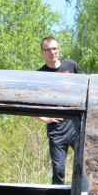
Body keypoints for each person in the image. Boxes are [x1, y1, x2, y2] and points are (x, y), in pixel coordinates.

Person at [36, 37, 83, 183]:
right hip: (56, 130)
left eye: (54, 48)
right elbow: (30, 102)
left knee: (87, 165)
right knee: (59, 171)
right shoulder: (39, 75)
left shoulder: (71, 66)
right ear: (42, 53)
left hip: (76, 126)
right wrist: (43, 118)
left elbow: (86, 87)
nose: (52, 52)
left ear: (59, 49)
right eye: (48, 50)